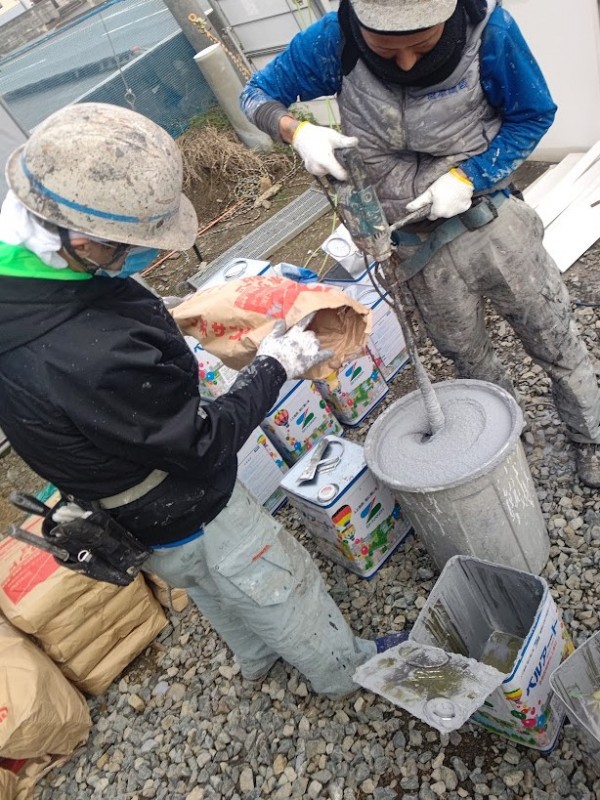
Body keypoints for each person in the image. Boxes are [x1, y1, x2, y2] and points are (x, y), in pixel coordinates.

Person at [0, 102, 404, 698]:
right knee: (274, 579)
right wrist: (276, 364)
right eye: (128, 246)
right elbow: (203, 442)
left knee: (208, 584)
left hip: (121, 508)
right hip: (177, 501)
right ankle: (344, 672)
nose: (144, 257)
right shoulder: (83, 350)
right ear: (80, 237)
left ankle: (256, 656)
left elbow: (109, 363)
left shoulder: (26, 280)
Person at [240, 0, 600, 488]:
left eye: (423, 44)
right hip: (412, 251)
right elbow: (255, 93)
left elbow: (533, 116)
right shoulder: (336, 39)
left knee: (553, 337)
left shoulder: (489, 31)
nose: (406, 62)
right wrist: (296, 130)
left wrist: (470, 177)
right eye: (387, 49)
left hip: (492, 227)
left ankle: (592, 438)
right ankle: (506, 440)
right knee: (467, 357)